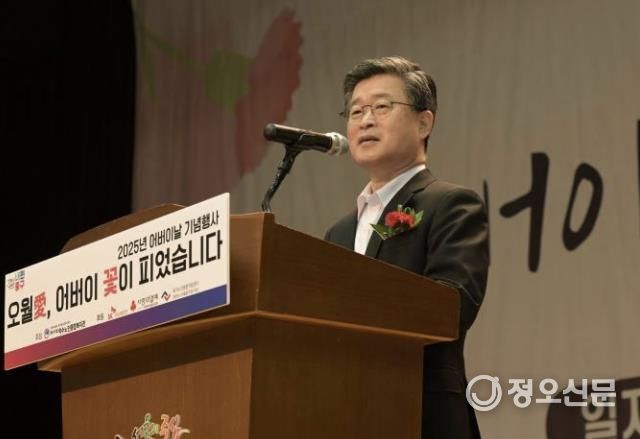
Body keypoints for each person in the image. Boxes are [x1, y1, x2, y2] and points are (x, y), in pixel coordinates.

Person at [324, 56, 490, 438]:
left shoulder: (451, 204)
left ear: (424, 123)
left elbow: (452, 307)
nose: (366, 120)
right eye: (356, 111)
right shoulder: (338, 233)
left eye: (382, 107)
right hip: (345, 414)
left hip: (423, 413)